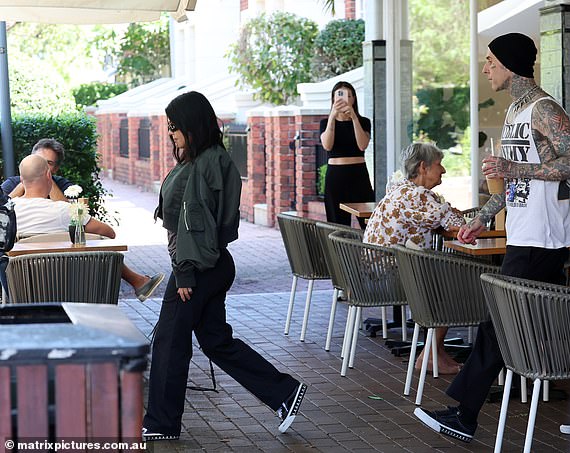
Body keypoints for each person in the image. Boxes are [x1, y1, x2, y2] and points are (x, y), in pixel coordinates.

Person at [416, 32, 570, 443]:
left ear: (510, 64)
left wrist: (516, 171)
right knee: (540, 326)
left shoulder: (544, 109)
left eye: (490, 61)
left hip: (542, 240)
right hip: (524, 235)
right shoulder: (514, 111)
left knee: (500, 324)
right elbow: (514, 188)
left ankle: (465, 414)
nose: (485, 68)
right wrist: (484, 217)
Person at [142, 91, 307, 441]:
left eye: (174, 126)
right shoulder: (213, 158)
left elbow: (192, 223)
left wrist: (184, 271)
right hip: (214, 263)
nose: (169, 132)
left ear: (191, 125)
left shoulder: (201, 166)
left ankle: (161, 423)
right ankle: (283, 393)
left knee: (170, 343)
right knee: (216, 341)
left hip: (196, 268)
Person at [363, 142, 465, 374]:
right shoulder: (419, 196)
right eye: (439, 164)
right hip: (392, 278)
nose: (444, 170)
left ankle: (435, 352)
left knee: (444, 279)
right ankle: (429, 355)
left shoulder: (400, 190)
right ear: (423, 167)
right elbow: (457, 225)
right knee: (452, 288)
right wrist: (449, 210)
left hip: (376, 272)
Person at [5, 154, 164, 302]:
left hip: (22, 291)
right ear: (49, 176)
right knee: (96, 245)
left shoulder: (6, 213)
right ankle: (138, 282)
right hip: (71, 288)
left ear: (21, 180)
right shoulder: (65, 210)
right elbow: (109, 233)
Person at [320, 81, 374, 226]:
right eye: (341, 95)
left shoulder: (363, 121)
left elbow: (362, 145)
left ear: (354, 99)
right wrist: (332, 116)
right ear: (333, 99)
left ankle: (369, 249)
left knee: (368, 222)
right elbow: (327, 145)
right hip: (336, 176)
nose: (345, 99)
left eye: (349, 96)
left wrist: (354, 118)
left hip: (359, 175)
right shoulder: (325, 123)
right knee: (337, 224)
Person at [2, 138, 72, 201]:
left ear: (56, 168)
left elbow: (71, 212)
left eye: (49, 163)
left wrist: (48, 180)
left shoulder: (63, 185)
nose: (42, 165)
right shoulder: (12, 183)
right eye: (38, 159)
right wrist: (26, 182)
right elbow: (3, 208)